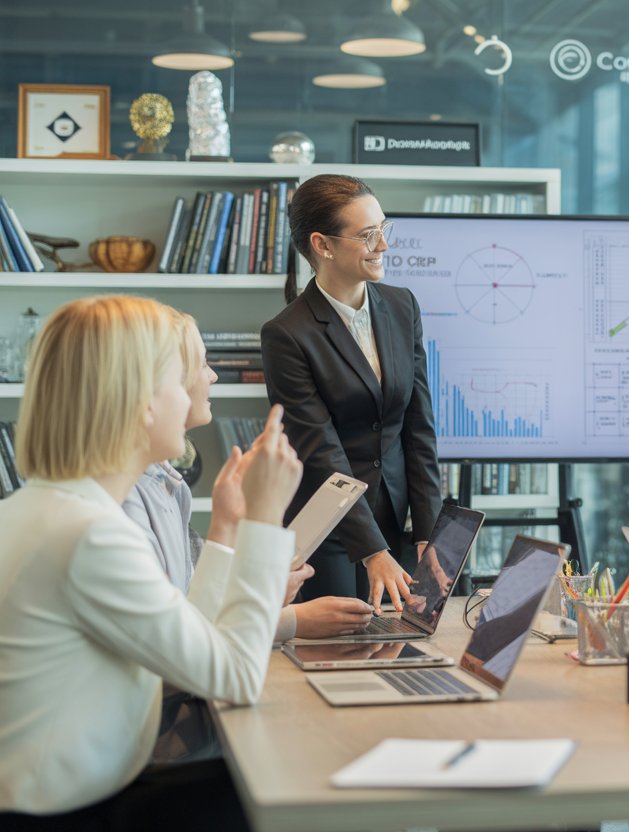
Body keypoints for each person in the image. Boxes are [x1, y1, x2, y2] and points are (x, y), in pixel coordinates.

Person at [0, 295, 301, 830]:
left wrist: (232, 523)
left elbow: (197, 644)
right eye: (177, 381)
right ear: (141, 401)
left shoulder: (51, 509)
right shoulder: (89, 535)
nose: (190, 397)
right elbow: (233, 675)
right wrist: (264, 516)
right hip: (69, 815)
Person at [124, 313, 376, 640]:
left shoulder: (169, 485)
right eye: (202, 365)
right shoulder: (124, 503)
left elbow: (196, 603)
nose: (213, 376)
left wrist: (258, 576)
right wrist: (281, 612)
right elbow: (188, 649)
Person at [262, 174, 443, 613]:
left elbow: (419, 429)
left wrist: (429, 534)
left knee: (412, 642)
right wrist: (372, 551)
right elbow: (321, 451)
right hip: (332, 529)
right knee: (343, 643)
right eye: (367, 235)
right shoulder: (287, 334)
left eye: (384, 229)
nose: (383, 245)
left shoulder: (403, 307)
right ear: (322, 245)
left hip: (400, 518)